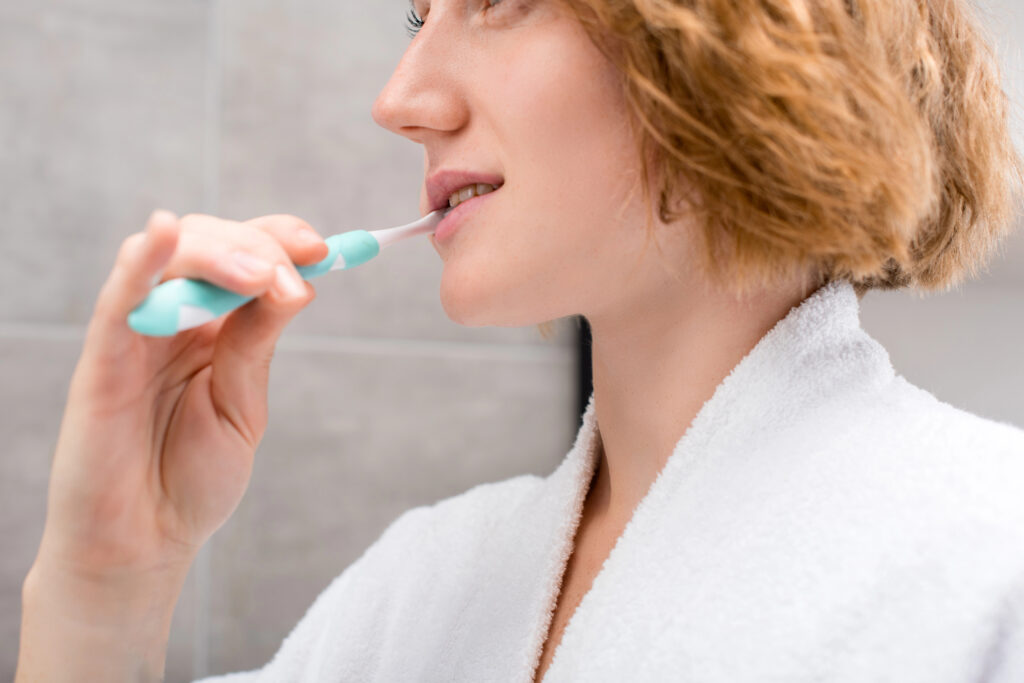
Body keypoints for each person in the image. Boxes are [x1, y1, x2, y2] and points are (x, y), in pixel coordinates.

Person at [15, 0, 1024, 680]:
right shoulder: (415, 586)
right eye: (417, 16)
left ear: (733, 45)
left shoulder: (993, 557)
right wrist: (108, 581)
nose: (400, 100)